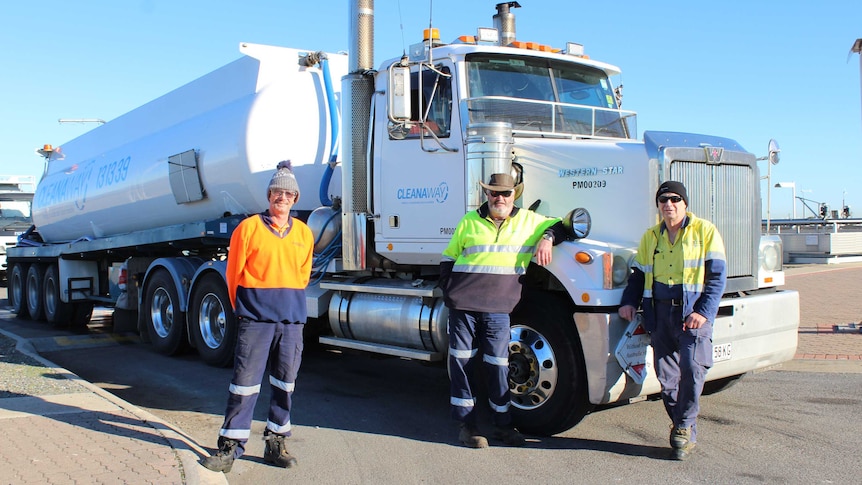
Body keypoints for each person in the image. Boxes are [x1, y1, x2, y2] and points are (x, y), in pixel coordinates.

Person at [201, 160, 314, 473]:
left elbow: (302, 275)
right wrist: (247, 308)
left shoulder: (304, 234)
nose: (282, 197)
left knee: (285, 384)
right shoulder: (248, 228)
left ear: (295, 199)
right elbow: (233, 274)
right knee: (245, 384)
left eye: (288, 193)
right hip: (256, 319)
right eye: (277, 191)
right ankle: (229, 448)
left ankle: (276, 442)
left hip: (291, 320)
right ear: (269, 196)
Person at [439, 173, 565, 448]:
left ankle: (503, 427)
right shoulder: (469, 221)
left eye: (505, 193)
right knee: (462, 364)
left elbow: (561, 224)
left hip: (498, 309)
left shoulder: (528, 222)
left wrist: (547, 239)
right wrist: (450, 292)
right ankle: (467, 426)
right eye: (494, 193)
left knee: (498, 366)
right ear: (487, 195)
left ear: (514, 195)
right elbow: (449, 257)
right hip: (463, 307)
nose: (500, 198)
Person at [618, 180, 727, 461]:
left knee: (693, 369)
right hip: (659, 313)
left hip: (691, 313)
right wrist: (629, 302)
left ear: (685, 203)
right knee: (667, 378)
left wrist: (703, 312)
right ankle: (683, 427)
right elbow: (639, 275)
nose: (669, 204)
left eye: (675, 199)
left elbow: (717, 278)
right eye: (663, 199)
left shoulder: (705, 232)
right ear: (658, 205)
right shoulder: (650, 236)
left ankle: (683, 424)